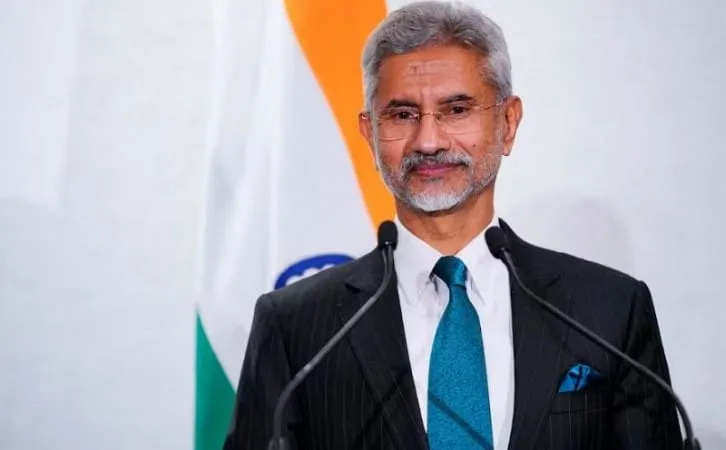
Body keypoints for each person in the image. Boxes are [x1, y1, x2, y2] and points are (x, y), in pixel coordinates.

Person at [223, 1, 682, 449]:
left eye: (457, 109)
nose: (428, 141)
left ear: (508, 122)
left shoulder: (608, 312)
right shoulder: (297, 326)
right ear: (370, 133)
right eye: (402, 114)